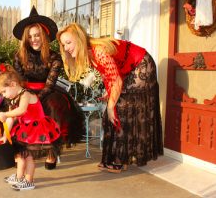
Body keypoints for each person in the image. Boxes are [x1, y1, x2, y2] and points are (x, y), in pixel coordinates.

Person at [57, 23, 163, 173]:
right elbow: (109, 75)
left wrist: (111, 105)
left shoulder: (98, 51)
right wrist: (109, 94)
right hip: (128, 69)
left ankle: (122, 159)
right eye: (63, 45)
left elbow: (117, 81)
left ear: (79, 39)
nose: (66, 48)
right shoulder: (89, 53)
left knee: (121, 107)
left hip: (141, 64)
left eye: (68, 42)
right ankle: (120, 158)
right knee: (116, 108)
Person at [11, 6, 85, 170]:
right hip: (25, 91)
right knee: (15, 107)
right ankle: (20, 151)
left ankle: (52, 152)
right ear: (26, 39)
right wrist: (26, 97)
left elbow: (50, 83)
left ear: (43, 35)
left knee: (53, 106)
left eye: (37, 35)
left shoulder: (54, 57)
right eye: (30, 37)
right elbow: (19, 80)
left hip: (47, 90)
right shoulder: (18, 56)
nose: (34, 39)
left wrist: (36, 98)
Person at [0, 66, 62, 191]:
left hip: (36, 130)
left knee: (29, 156)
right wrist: (5, 135)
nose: (4, 95)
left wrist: (5, 114)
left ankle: (29, 180)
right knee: (20, 155)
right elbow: (11, 119)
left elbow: (21, 110)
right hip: (25, 130)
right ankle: (19, 177)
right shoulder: (13, 98)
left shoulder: (26, 94)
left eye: (4, 91)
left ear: (13, 84)